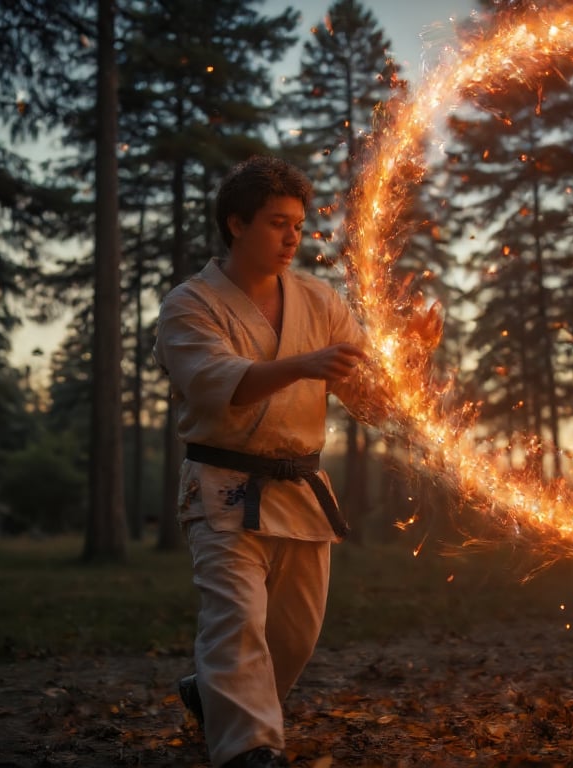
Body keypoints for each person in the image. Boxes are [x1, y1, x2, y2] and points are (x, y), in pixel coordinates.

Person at [153, 155, 437, 768]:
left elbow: (367, 398)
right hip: (223, 483)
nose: (291, 238)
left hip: (299, 486)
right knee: (236, 618)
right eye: (277, 223)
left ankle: (213, 695)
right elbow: (212, 381)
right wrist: (303, 366)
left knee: (294, 635)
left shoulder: (319, 301)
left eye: (298, 226)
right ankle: (250, 751)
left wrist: (411, 354)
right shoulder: (190, 304)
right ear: (236, 223)